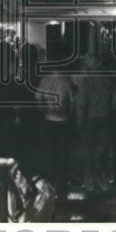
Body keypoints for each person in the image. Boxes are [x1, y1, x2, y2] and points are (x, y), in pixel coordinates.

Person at [73, 53, 116, 193]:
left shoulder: (86, 82)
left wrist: (79, 124)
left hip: (90, 121)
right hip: (106, 119)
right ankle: (104, 182)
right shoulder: (108, 81)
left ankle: (90, 184)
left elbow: (81, 105)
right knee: (102, 153)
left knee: (88, 154)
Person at [37, 61, 76, 192]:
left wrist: (44, 111)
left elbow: (39, 99)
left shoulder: (45, 81)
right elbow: (72, 102)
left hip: (48, 119)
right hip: (63, 120)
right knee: (63, 153)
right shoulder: (67, 81)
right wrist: (69, 114)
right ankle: (62, 182)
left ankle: (51, 180)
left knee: (49, 152)